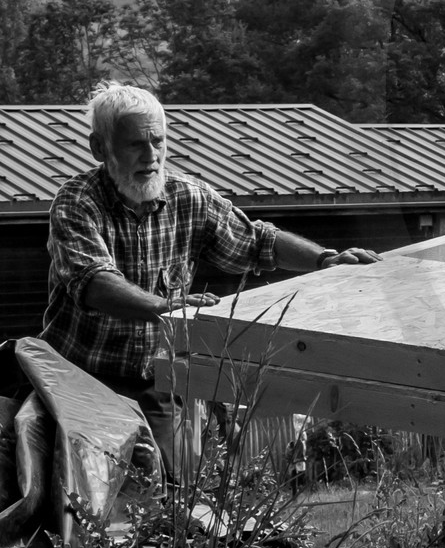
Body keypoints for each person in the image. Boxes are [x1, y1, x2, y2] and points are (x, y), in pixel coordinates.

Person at [42, 82, 379, 474]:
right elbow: (94, 283)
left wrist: (325, 260)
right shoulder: (77, 203)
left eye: (158, 141)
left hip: (160, 379)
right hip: (81, 380)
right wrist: (166, 308)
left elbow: (257, 241)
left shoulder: (190, 197)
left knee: (170, 491)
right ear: (100, 148)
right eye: (136, 144)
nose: (152, 156)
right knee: (85, 492)